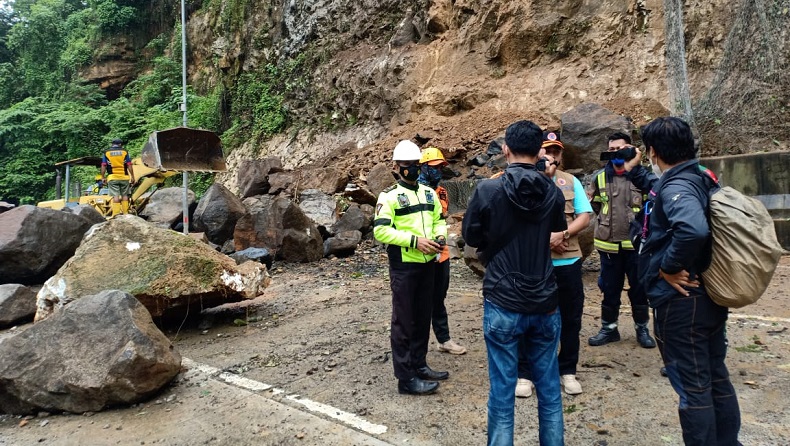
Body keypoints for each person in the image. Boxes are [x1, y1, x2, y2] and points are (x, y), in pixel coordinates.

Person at [623, 117, 741, 445]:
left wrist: (667, 266)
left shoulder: (676, 186)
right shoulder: (699, 176)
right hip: (708, 295)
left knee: (695, 388)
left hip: (682, 303)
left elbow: (692, 229)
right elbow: (660, 187)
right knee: (716, 379)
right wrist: (635, 170)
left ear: (654, 151)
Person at [462, 120, 567, 446]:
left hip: (503, 299)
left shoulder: (487, 190)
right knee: (549, 390)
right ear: (539, 151)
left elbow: (471, 235)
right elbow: (556, 231)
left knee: (503, 391)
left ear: (505, 149)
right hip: (544, 299)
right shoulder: (552, 191)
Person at [515, 131, 592, 398]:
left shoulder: (571, 181)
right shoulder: (522, 181)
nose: (552, 155)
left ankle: (567, 370)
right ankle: (524, 373)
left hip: (568, 261)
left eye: (556, 151)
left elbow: (584, 215)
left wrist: (564, 234)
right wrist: (543, 239)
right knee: (528, 317)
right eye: (546, 150)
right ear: (537, 153)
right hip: (534, 263)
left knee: (571, 318)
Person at [373, 139, 449, 396]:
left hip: (428, 265)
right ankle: (405, 378)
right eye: (407, 164)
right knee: (404, 322)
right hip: (404, 266)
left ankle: (420, 364)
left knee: (422, 317)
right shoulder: (390, 196)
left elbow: (439, 219)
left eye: (416, 164)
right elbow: (381, 230)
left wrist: (440, 238)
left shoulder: (428, 194)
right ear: (397, 166)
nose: (412, 168)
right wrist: (415, 241)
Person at [586, 132, 655, 348]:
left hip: (636, 247)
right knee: (610, 289)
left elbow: (651, 207)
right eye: (611, 149)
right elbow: (596, 205)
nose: (614, 152)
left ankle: (642, 329)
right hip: (609, 246)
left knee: (639, 289)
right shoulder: (599, 177)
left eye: (619, 148)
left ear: (631, 149)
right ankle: (609, 329)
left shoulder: (642, 176)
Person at [418, 146, 467, 356]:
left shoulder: (442, 192)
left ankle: (444, 339)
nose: (438, 170)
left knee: (439, 297)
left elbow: (440, 218)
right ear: (424, 167)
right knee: (418, 300)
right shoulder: (412, 191)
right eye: (434, 167)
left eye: (441, 167)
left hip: (442, 253)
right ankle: (416, 344)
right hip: (419, 253)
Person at [101, 138, 136, 217]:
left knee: (115, 196)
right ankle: (126, 214)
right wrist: (132, 176)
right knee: (125, 195)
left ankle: (116, 214)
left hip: (112, 177)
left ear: (112, 144)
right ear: (120, 144)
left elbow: (103, 165)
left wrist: (103, 177)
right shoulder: (124, 152)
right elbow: (129, 164)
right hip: (124, 177)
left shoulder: (107, 152)